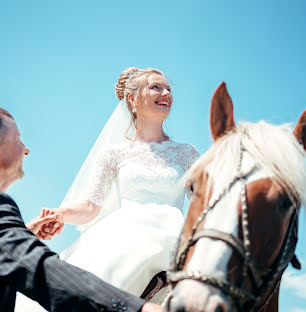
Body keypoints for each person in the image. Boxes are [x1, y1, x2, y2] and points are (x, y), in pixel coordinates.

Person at [0, 106, 161, 312]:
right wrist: (138, 308)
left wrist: (22, 233)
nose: (26, 150)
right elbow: (43, 272)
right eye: (18, 140)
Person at [16, 67, 199, 311]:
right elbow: (91, 207)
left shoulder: (188, 153)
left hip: (174, 239)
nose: (166, 92)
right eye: (156, 87)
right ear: (132, 100)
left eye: (168, 88)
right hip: (126, 238)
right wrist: (59, 214)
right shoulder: (114, 154)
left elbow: (205, 202)